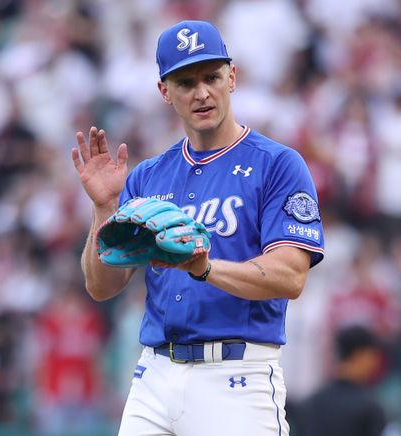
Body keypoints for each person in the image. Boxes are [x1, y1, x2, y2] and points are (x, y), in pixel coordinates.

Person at [71, 20, 325, 436]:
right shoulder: (147, 176)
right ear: (165, 92)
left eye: (211, 77)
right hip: (154, 374)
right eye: (186, 82)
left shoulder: (277, 164)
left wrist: (205, 268)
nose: (201, 92)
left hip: (236, 376)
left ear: (232, 77)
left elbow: (291, 276)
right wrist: (104, 208)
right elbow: (102, 286)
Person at [295, 325, 387, 436]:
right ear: (360, 355)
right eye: (373, 355)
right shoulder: (370, 409)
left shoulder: (310, 404)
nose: (375, 363)